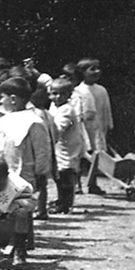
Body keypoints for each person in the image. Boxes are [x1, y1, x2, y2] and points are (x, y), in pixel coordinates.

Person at [0, 75, 54, 221]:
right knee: (4, 203)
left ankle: (24, 238)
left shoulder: (34, 121)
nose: (0, 101)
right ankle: (5, 235)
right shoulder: (1, 121)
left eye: (2, 97)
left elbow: (42, 151)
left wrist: (41, 173)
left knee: (23, 205)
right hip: (3, 172)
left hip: (25, 173)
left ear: (12, 99)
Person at [46, 76, 87, 214]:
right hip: (59, 147)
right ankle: (61, 199)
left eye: (62, 94)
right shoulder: (54, 106)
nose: (57, 97)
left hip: (67, 149)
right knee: (58, 176)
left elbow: (59, 128)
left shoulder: (67, 110)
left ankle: (66, 204)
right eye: (54, 93)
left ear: (69, 95)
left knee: (66, 177)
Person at [75, 58, 115, 193]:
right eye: (92, 69)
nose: (97, 71)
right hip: (84, 129)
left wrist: (109, 125)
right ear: (82, 72)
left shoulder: (102, 90)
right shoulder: (78, 91)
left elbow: (107, 109)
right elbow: (76, 112)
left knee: (97, 157)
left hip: (98, 128)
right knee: (81, 157)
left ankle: (92, 184)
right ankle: (77, 184)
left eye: (98, 68)